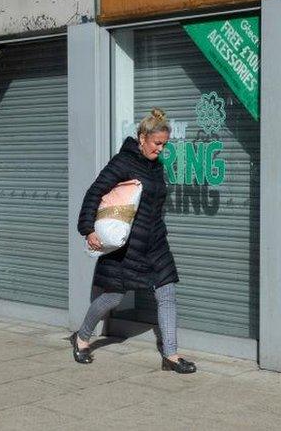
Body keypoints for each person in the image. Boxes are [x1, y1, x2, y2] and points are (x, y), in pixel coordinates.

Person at [70, 108, 196, 373]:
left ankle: (170, 356)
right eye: (157, 143)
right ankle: (82, 337)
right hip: (126, 247)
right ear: (142, 138)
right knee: (113, 298)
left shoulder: (156, 167)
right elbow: (95, 192)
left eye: (165, 144)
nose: (161, 149)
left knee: (167, 292)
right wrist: (88, 229)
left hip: (155, 243)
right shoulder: (123, 162)